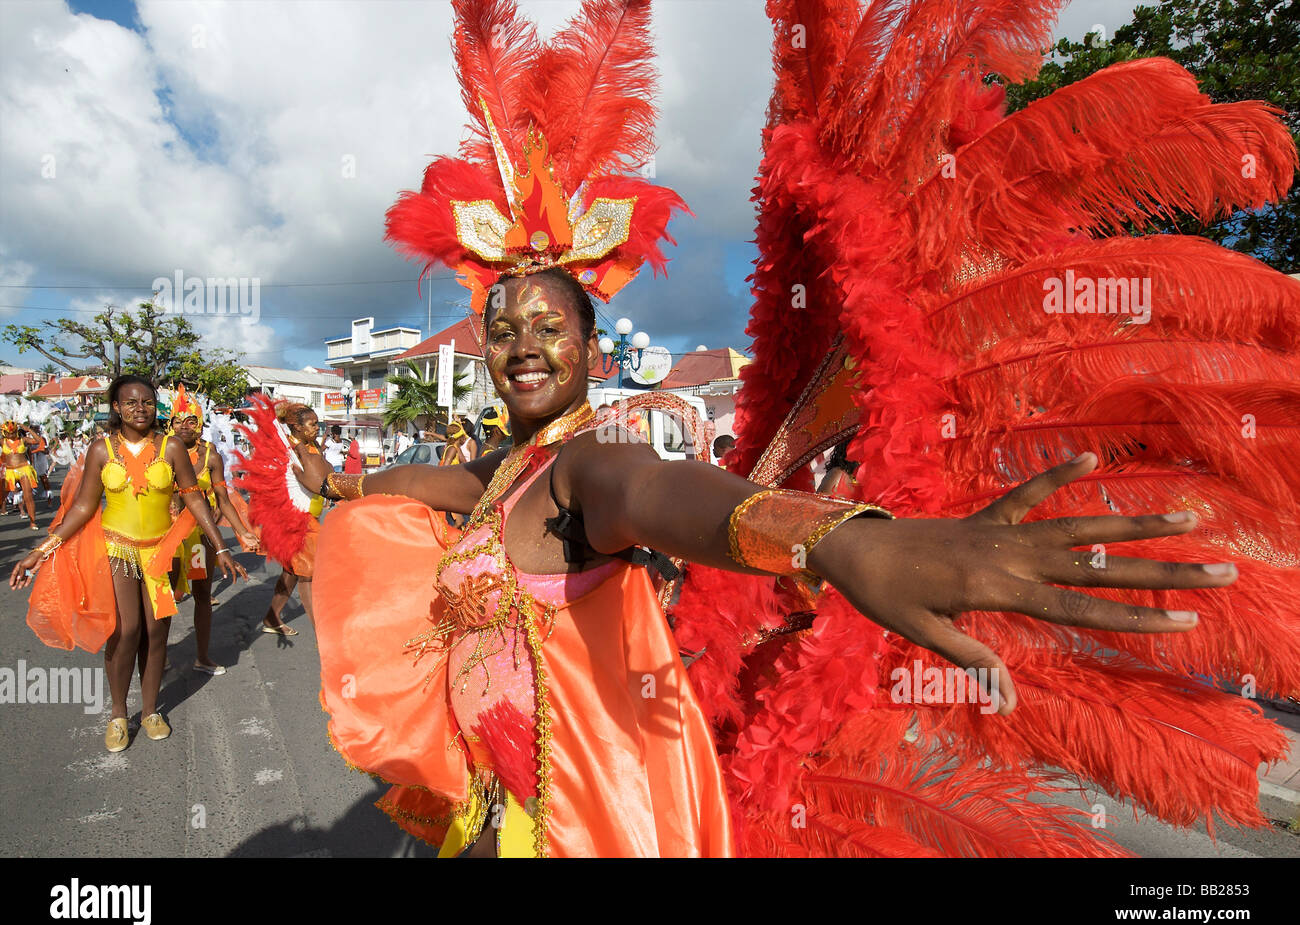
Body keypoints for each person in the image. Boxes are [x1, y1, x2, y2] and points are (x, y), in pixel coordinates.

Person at [260, 0, 1298, 857]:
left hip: (579, 828)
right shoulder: (499, 473)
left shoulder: (592, 465)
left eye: (548, 324)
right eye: (502, 328)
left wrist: (848, 539)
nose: (522, 343)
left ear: (590, 343)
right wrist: (334, 484)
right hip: (495, 812)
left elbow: (674, 500)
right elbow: (416, 488)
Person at [11, 375, 248, 750]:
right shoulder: (101, 449)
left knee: (156, 632)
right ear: (117, 408)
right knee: (126, 630)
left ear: (157, 407)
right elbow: (85, 506)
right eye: (131, 402)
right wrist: (41, 550)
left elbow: (195, 500)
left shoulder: (171, 446)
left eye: (148, 402)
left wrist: (220, 548)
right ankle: (119, 714)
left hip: (162, 552)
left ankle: (151, 710)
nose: (141, 409)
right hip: (117, 550)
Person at [165, 385, 259, 674]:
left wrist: (243, 532)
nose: (184, 426)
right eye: (178, 421)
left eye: (191, 421)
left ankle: (202, 656)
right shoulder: (160, 452)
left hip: (197, 539)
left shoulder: (211, 456)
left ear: (200, 425)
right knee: (164, 597)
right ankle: (159, 655)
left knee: (202, 595)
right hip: (165, 538)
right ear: (169, 424)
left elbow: (224, 501)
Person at [247, 402, 326, 636]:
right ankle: (320, 630)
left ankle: (272, 618)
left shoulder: (311, 447)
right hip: (295, 518)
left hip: (312, 511)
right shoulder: (284, 449)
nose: (317, 428)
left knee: (292, 571)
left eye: (317, 423)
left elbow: (323, 476)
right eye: (312, 424)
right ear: (296, 426)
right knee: (308, 572)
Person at [2, 420, 40, 529]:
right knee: (2, 496)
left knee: (28, 496)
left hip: (24, 470)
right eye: (9, 433)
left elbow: (38, 441)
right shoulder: (2, 441)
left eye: (13, 432)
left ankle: (33, 522)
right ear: (5, 433)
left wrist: (28, 429)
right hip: (9, 471)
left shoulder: (23, 440)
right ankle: (4, 510)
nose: (11, 435)